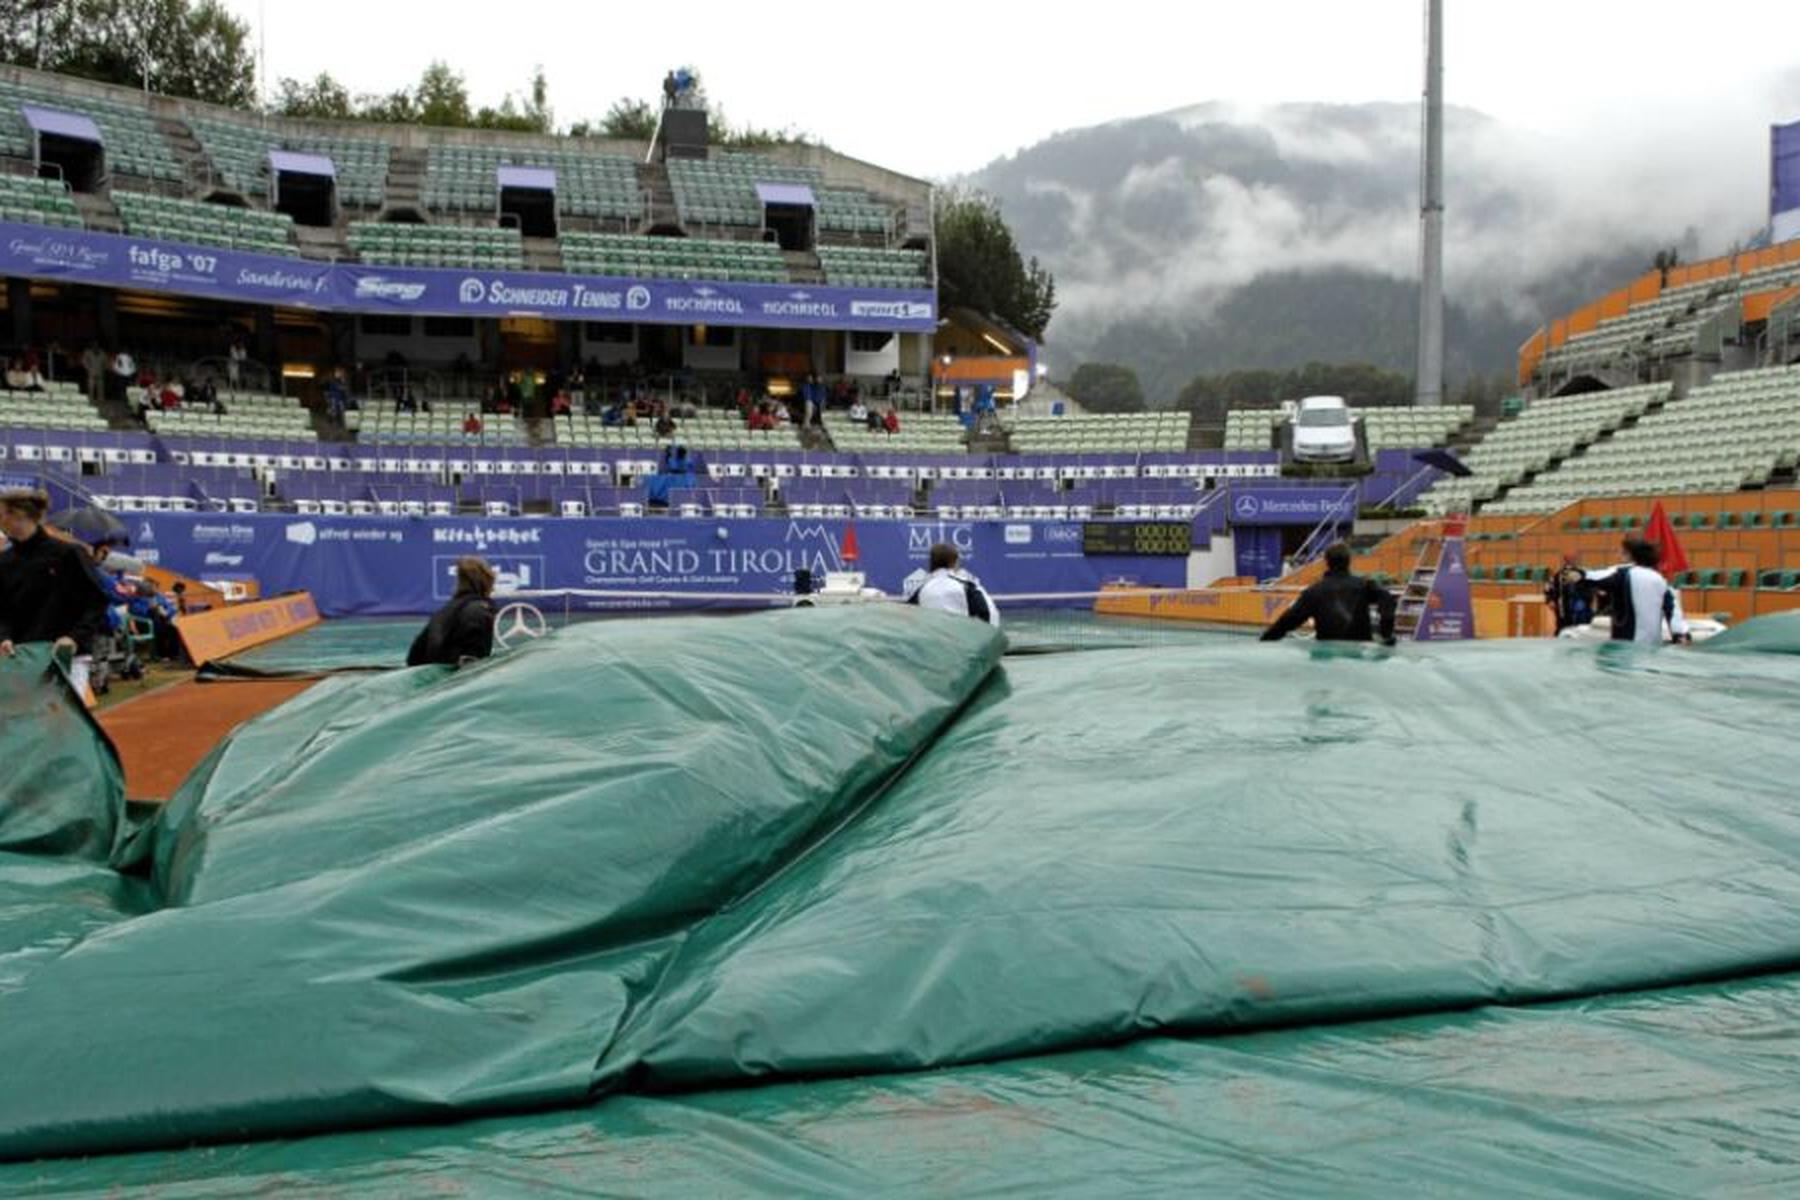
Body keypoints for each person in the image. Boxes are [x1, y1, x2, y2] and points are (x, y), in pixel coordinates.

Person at [0, 489, 112, 696]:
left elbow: (97, 600)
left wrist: (74, 638)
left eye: (1, 513)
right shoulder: (4, 562)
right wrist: (4, 637)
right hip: (24, 658)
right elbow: (3, 610)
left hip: (67, 656)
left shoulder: (68, 554)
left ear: (19, 514)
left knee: (61, 724)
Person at [1260, 542, 1397, 644]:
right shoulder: (1364, 585)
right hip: (1359, 649)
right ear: (1349, 561)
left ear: (1326, 562)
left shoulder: (1313, 591)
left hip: (1327, 653)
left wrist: (1265, 639)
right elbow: (1388, 599)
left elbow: (1289, 620)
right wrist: (1386, 632)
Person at [1580, 537, 1691, 646]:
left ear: (1629, 555)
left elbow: (1594, 577)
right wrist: (1681, 634)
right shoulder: (1660, 579)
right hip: (1652, 648)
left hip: (1626, 647)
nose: (1618, 556)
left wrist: (1578, 574)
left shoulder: (1622, 572)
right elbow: (1673, 611)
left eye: (1621, 552)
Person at [406, 557, 498, 667]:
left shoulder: (444, 611)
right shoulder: (479, 610)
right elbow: (472, 661)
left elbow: (414, 656)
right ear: (488, 581)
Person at [905, 543, 1000, 627]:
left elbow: (906, 617)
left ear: (931, 562)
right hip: (963, 642)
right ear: (955, 562)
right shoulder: (967, 587)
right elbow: (989, 615)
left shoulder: (921, 590)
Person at [1543, 553, 1593, 633]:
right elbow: (1549, 587)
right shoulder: (1558, 574)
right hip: (1563, 604)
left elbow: (1590, 587)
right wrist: (1550, 599)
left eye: (1573, 559)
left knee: (1580, 624)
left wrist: (1586, 599)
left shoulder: (1582, 573)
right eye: (1569, 559)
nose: (1571, 561)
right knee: (1563, 625)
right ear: (1565, 560)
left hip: (1579, 604)